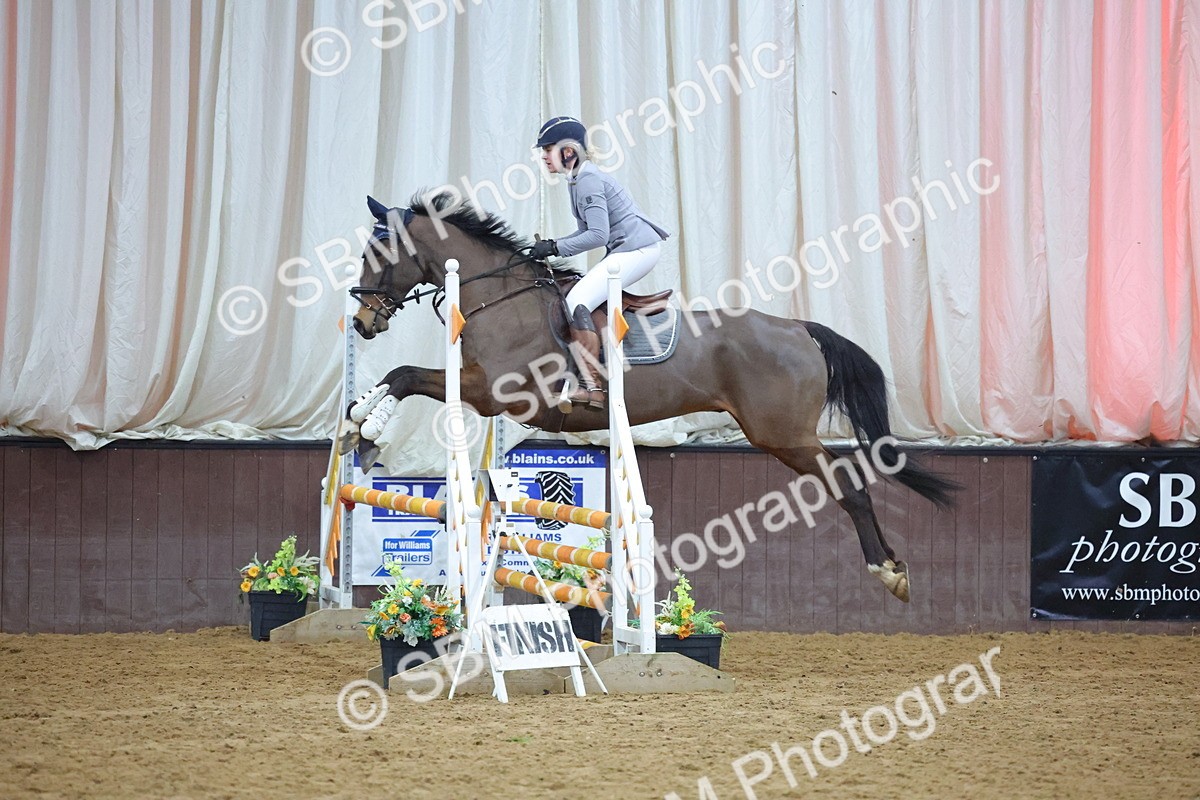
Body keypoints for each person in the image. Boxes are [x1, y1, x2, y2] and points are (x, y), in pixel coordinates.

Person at [530, 115, 670, 411]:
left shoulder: (587, 180)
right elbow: (586, 231)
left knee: (577, 300)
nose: (543, 156)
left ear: (568, 151)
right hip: (627, 249)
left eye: (548, 149)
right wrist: (552, 246)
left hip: (638, 250)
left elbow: (597, 235)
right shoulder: (577, 179)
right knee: (579, 295)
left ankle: (591, 386)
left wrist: (555, 247)